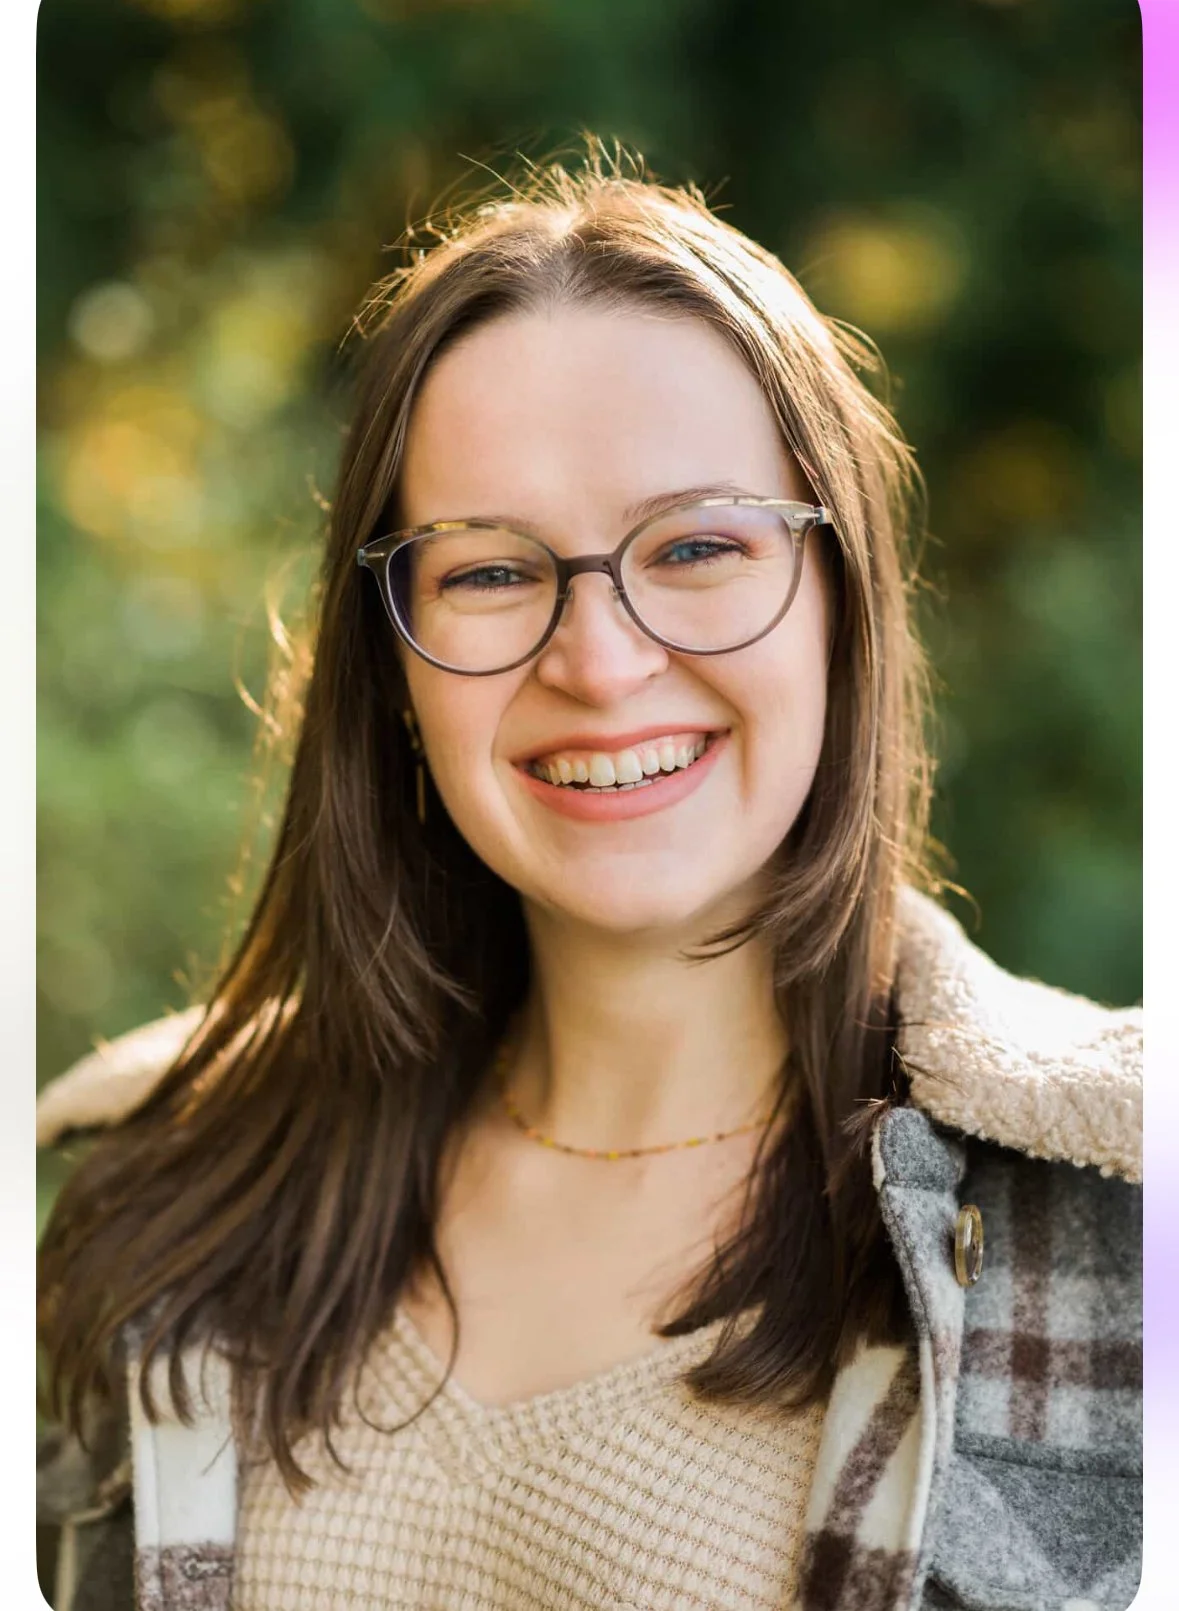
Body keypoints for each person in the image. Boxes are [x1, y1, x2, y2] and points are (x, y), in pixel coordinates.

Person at [36, 152, 1142, 1611]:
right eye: (489, 571)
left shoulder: (1123, 1221)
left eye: (693, 546)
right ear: (393, 666)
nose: (600, 661)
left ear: (841, 606)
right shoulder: (146, 1201)